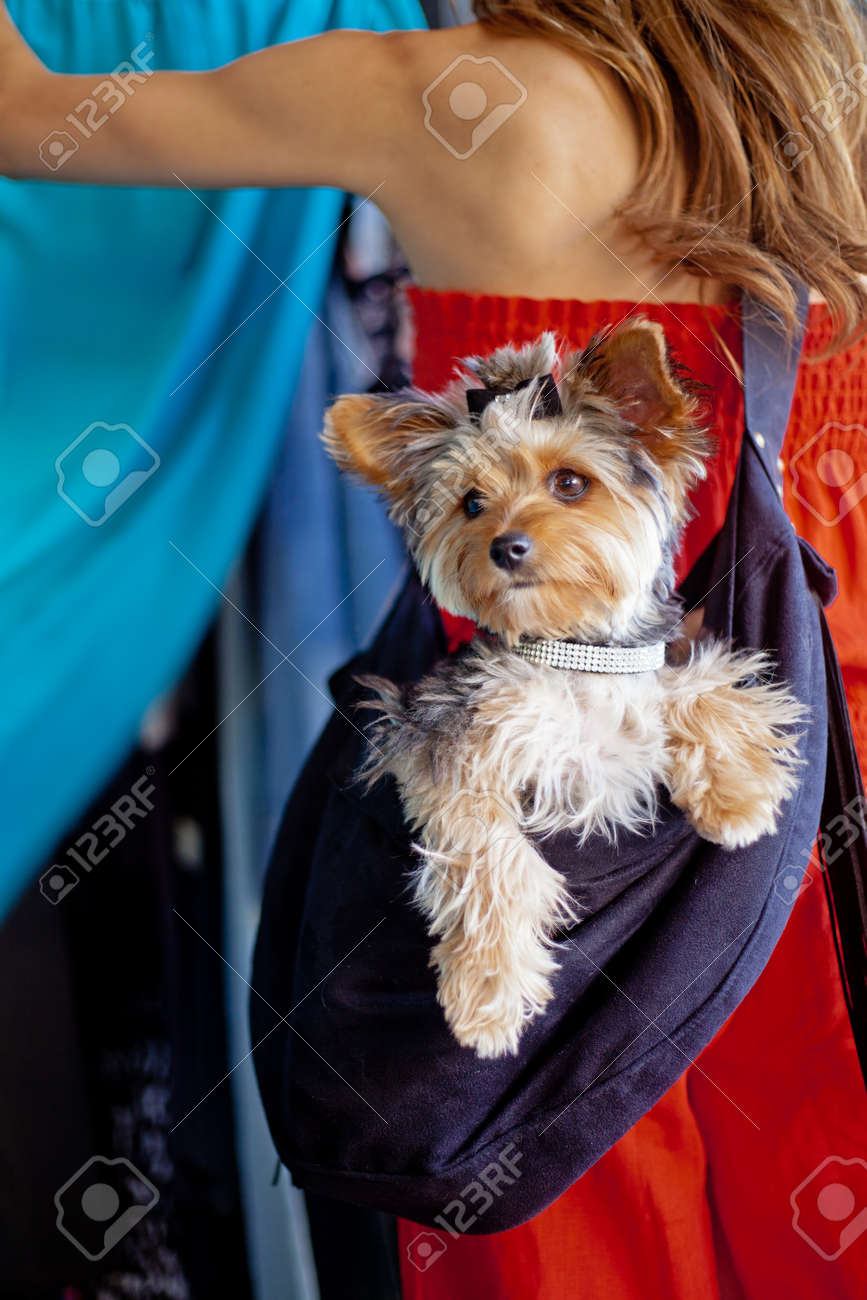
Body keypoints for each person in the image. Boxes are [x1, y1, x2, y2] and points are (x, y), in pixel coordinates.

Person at [3, 2, 867, 1296]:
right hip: (823, 765)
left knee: (565, 1220)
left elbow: (25, 117)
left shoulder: (424, 90)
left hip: (551, 830)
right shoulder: (825, 86)